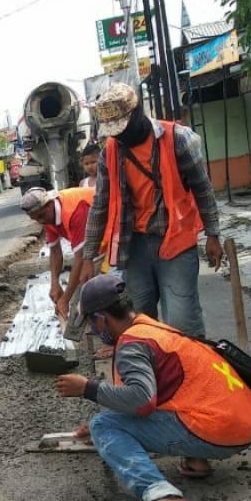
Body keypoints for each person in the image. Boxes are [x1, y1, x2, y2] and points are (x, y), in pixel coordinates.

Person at [53, 274, 251, 501]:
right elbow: (166, 391)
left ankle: (162, 494)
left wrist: (88, 388)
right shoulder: (151, 328)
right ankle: (197, 460)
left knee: (104, 426)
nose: (93, 331)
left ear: (101, 319)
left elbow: (141, 401)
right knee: (128, 415)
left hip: (218, 429)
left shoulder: (132, 344)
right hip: (243, 422)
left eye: (92, 324)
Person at [80, 83, 222, 338]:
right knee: (139, 321)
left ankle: (190, 372)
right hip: (134, 246)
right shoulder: (110, 151)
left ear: (137, 113)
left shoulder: (178, 139)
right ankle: (154, 373)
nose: (119, 137)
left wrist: (213, 234)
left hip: (175, 241)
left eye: (122, 129)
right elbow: (100, 204)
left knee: (181, 320)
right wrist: (88, 256)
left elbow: (203, 189)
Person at [21, 187, 96, 326]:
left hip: (114, 239)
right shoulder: (47, 217)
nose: (40, 221)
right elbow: (55, 251)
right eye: (35, 219)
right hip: (94, 247)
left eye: (41, 216)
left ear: (49, 203)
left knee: (95, 284)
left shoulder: (75, 210)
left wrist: (66, 299)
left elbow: (80, 258)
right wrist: (54, 283)